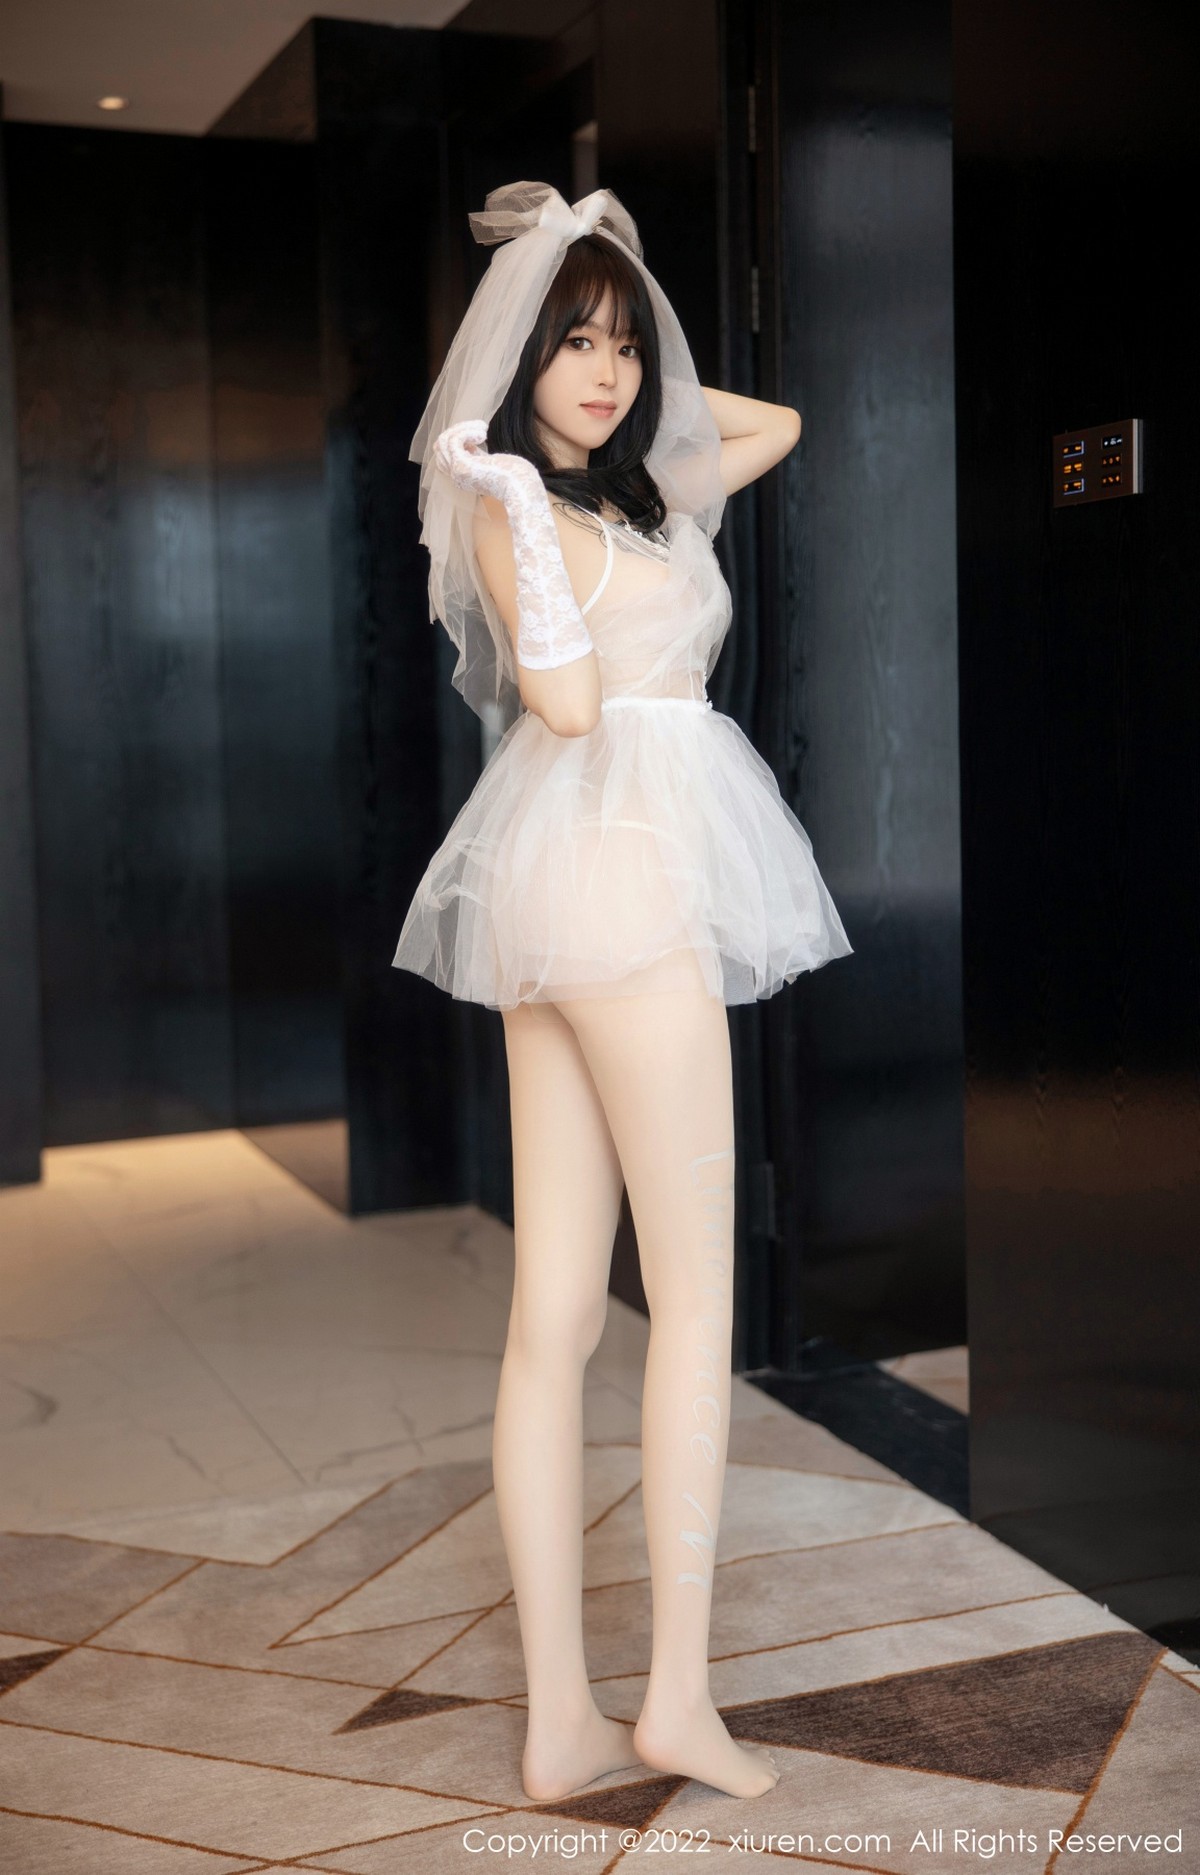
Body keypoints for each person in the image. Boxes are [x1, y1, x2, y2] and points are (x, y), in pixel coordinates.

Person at [393, 182, 853, 1804]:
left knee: (564, 1310)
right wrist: (520, 495)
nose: (603, 371)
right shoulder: (503, 507)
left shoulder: (652, 495)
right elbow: (572, 705)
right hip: (621, 879)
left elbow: (777, 422)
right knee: (684, 1299)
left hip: (570, 879)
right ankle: (670, 1702)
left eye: (618, 345)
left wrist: (631, 341)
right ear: (511, 360)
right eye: (570, 343)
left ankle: (568, 1725)